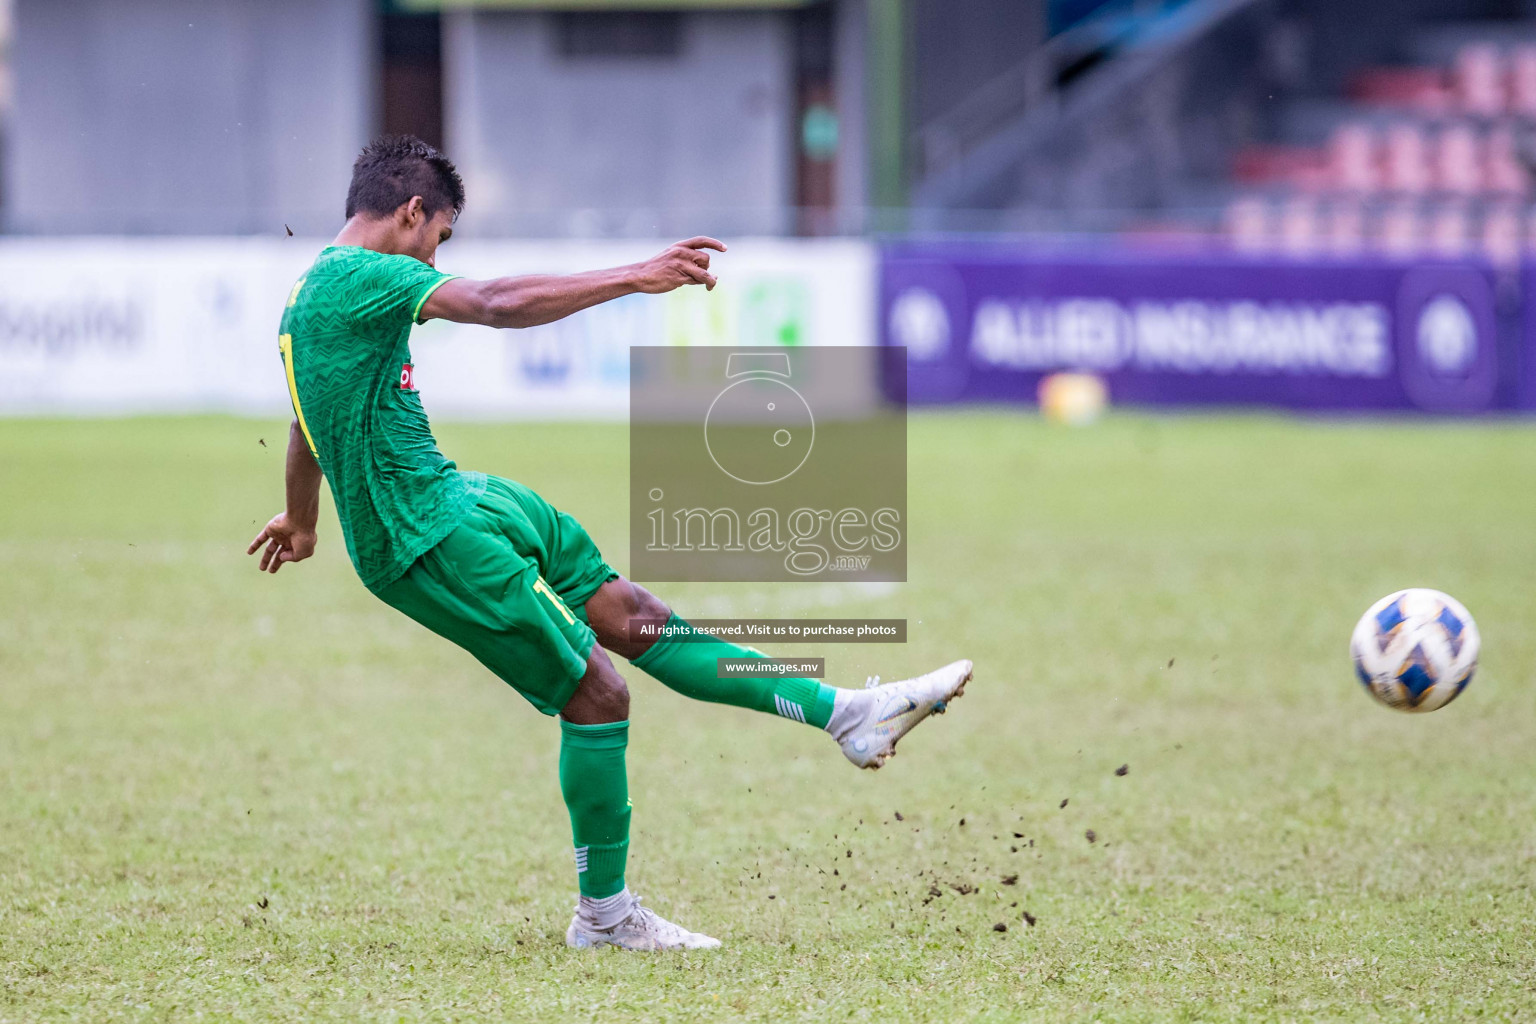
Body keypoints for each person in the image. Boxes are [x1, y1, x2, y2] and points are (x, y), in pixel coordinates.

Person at [248, 136, 973, 951]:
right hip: (421, 536)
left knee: (632, 614)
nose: (435, 254)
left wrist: (302, 518)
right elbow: (491, 302)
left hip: (459, 495)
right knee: (597, 693)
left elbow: (307, 414)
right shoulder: (364, 275)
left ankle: (850, 715)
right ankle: (604, 917)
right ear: (412, 212)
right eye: (438, 236)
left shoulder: (316, 290)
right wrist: (634, 276)